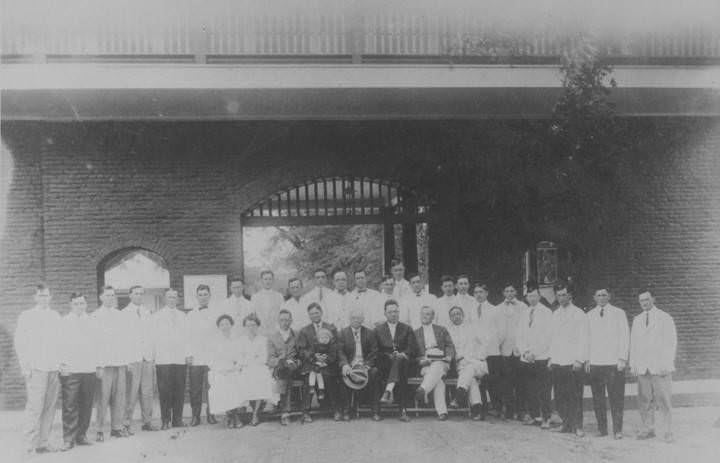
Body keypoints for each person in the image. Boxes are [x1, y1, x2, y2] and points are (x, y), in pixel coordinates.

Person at [14, 284, 62, 455]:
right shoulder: (26, 316)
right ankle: (29, 444)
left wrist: (60, 364)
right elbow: (20, 343)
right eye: (41, 296)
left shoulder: (55, 316)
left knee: (50, 407)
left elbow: (60, 343)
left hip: (53, 368)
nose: (44, 298)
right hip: (36, 368)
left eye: (47, 295)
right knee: (35, 408)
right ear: (35, 298)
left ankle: (43, 442)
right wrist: (25, 368)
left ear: (51, 297)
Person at [630, 290, 677, 443]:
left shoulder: (664, 317)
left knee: (663, 400)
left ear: (653, 299)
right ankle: (648, 428)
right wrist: (634, 364)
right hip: (643, 366)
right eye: (641, 300)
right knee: (645, 400)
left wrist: (667, 362)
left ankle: (667, 431)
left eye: (647, 299)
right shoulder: (637, 319)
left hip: (660, 366)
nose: (644, 303)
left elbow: (671, 342)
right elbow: (634, 344)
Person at [58, 293, 100, 451]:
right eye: (76, 303)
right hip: (71, 369)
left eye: (82, 303)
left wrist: (98, 365)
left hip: (88, 369)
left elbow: (98, 344)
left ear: (86, 304)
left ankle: (81, 435)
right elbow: (59, 344)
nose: (79, 306)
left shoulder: (92, 321)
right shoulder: (64, 322)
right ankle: (68, 439)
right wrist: (62, 364)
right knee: (70, 404)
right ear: (71, 305)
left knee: (86, 403)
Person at [587, 287, 629, 439]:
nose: (601, 297)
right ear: (594, 297)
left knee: (616, 397)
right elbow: (587, 339)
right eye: (598, 295)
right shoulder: (590, 315)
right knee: (598, 398)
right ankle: (602, 429)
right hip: (596, 362)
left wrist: (622, 359)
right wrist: (588, 360)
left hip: (613, 363)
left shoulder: (618, 313)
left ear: (609, 296)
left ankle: (617, 430)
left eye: (604, 294)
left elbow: (625, 336)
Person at [92, 285, 132, 441]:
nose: (110, 298)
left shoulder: (120, 315)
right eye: (107, 295)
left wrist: (127, 361)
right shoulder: (95, 316)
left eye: (112, 295)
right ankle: (100, 430)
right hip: (105, 364)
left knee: (119, 397)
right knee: (102, 398)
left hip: (120, 362)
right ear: (101, 297)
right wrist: (99, 365)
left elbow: (126, 340)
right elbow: (95, 343)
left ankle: (117, 427)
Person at [547, 283, 588, 437]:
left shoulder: (579, 314)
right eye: (558, 295)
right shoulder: (555, 314)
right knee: (560, 394)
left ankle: (578, 425)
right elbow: (552, 338)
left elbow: (584, 338)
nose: (561, 298)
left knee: (575, 395)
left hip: (573, 362)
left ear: (570, 295)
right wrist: (551, 358)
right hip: (558, 360)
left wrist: (579, 359)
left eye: (564, 295)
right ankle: (566, 423)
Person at [153, 289, 191, 429]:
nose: (172, 299)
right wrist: (154, 357)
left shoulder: (183, 316)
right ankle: (165, 420)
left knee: (179, 389)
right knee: (164, 391)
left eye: (174, 297)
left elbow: (188, 337)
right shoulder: (157, 316)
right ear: (164, 299)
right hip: (163, 359)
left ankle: (177, 419)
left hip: (180, 358)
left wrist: (188, 354)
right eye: (169, 297)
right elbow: (154, 338)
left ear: (178, 299)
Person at [516, 285, 554, 428]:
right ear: (526, 298)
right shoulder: (524, 313)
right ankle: (535, 415)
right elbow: (519, 335)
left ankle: (546, 417)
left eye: (534, 295)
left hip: (541, 356)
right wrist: (525, 352)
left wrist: (535, 353)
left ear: (539, 296)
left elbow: (548, 337)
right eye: (529, 296)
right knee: (530, 388)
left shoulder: (547, 312)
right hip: (526, 358)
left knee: (543, 389)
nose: (531, 298)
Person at [296, 303, 341, 423]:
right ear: (308, 316)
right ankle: (306, 412)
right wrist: (313, 356)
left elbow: (336, 346)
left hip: (328, 363)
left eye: (316, 313)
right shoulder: (304, 331)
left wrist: (326, 359)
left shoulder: (331, 328)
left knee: (329, 377)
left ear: (321, 313)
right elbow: (301, 350)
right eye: (311, 314)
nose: (314, 315)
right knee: (308, 380)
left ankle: (336, 409)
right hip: (311, 363)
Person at [123, 285, 158, 434]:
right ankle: (125, 423)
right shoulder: (124, 314)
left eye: (141, 294)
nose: (138, 296)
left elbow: (152, 336)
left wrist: (153, 358)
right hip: (133, 359)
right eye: (135, 293)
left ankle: (147, 422)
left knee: (147, 392)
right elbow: (122, 339)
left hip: (147, 358)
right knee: (131, 393)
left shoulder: (147, 312)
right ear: (130, 295)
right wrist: (126, 360)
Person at [376, 299, 417, 422]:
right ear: (385, 313)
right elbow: (375, 349)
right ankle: (402, 410)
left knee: (401, 364)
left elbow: (412, 348)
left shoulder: (407, 328)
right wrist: (388, 356)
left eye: (396, 311)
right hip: (385, 363)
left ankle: (389, 392)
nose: (393, 314)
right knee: (394, 367)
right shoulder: (378, 329)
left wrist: (402, 354)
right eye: (390, 312)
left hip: (403, 361)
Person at [338, 308, 381, 421]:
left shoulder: (370, 333)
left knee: (375, 372)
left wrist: (367, 365)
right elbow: (340, 351)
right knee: (342, 374)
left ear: (363, 319)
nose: (356, 320)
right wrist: (345, 364)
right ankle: (346, 411)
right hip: (350, 365)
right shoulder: (343, 333)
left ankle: (375, 411)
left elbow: (374, 352)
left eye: (358, 318)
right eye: (353, 318)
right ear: (349, 319)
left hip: (365, 365)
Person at [447, 306, 487, 420]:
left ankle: (459, 395)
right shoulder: (448, 331)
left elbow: (483, 344)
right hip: (460, 364)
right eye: (453, 315)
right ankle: (477, 408)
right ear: (450, 318)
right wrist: (456, 357)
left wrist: (477, 357)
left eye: (458, 313)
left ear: (463, 315)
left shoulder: (472, 329)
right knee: (471, 379)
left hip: (477, 363)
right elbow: (448, 349)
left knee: (469, 369)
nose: (456, 316)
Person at [187, 284, 219, 426]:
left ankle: (211, 413)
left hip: (212, 356)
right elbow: (186, 336)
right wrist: (189, 354)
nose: (203, 297)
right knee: (195, 387)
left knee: (211, 386)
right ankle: (195, 416)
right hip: (196, 356)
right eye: (200, 294)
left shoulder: (217, 313)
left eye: (205, 294)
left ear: (210, 296)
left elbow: (219, 335)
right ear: (196, 297)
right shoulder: (191, 314)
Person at [236, 314, 275, 426]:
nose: (251, 327)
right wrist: (249, 359)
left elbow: (264, 356)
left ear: (258, 326)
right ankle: (244, 411)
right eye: (248, 325)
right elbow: (239, 357)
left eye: (253, 325)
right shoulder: (241, 340)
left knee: (261, 378)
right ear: (244, 327)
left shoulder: (263, 339)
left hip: (259, 366)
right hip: (246, 367)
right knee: (244, 379)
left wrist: (252, 358)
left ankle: (255, 414)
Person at [496, 283, 528, 420]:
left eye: (512, 291)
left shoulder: (523, 307)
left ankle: (521, 410)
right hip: (504, 349)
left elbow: (526, 328)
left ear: (515, 292)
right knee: (506, 382)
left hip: (518, 349)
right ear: (503, 293)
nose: (509, 293)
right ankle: (508, 409)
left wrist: (522, 346)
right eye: (507, 291)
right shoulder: (498, 308)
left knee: (520, 381)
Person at [207, 314, 245, 428]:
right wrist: (220, 369)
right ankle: (231, 416)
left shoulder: (236, 340)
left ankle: (234, 416)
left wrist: (235, 367)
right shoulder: (214, 341)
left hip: (233, 369)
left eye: (227, 323)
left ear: (231, 325)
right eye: (222, 324)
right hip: (220, 370)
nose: (225, 326)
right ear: (218, 326)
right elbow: (211, 360)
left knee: (235, 383)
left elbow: (240, 357)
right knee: (223, 384)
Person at [472, 282, 503, 416]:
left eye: (481, 292)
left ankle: (497, 407)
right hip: (477, 351)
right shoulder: (471, 310)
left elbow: (501, 332)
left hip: (491, 350)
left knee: (494, 380)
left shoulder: (494, 310)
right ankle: (483, 406)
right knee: (480, 379)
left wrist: (491, 344)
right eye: (476, 292)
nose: (478, 295)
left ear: (486, 293)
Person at [267, 309, 300, 425]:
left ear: (291, 320)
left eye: (287, 320)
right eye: (282, 320)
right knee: (284, 370)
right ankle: (285, 411)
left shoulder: (297, 334)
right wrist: (280, 361)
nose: (284, 322)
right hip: (280, 367)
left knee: (287, 370)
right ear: (278, 321)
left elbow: (301, 353)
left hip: (294, 366)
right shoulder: (272, 337)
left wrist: (296, 361)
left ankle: (281, 407)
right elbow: (270, 359)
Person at [250, 270, 284, 335]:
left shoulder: (279, 296)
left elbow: (282, 314)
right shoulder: (255, 297)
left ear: (273, 280)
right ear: (261, 281)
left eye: (270, 279)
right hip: (260, 331)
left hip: (276, 330)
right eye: (265, 279)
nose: (268, 281)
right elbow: (253, 315)